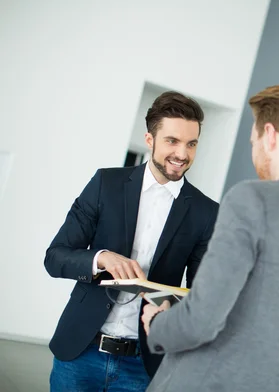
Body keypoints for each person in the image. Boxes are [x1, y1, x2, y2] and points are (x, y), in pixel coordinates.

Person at [141, 82, 279, 392]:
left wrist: (158, 323)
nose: (255, 152)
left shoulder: (252, 198)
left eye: (253, 141)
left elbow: (199, 323)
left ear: (269, 135)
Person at [44, 91, 219, 391]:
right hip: (79, 353)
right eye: (172, 141)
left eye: (191, 144)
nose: (182, 154)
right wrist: (101, 258)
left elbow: (200, 294)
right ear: (150, 140)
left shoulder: (206, 212)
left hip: (144, 365)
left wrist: (173, 307)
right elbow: (55, 257)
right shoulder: (105, 184)